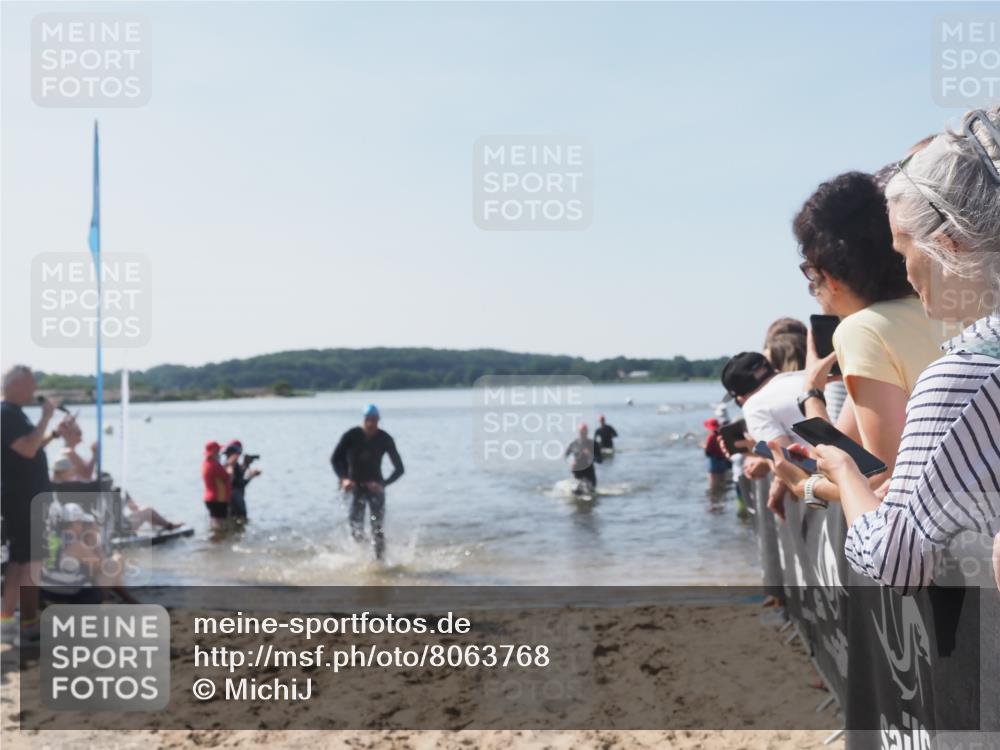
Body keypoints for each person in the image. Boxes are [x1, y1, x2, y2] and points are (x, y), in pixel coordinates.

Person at [781, 106, 1000, 591]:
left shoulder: (965, 372)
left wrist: (839, 469)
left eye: (906, 250)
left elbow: (897, 557)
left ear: (950, 244)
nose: (905, 272)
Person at [782, 170, 945, 505]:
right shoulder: (939, 310)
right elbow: (853, 451)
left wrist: (812, 393)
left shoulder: (861, 332)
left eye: (810, 274)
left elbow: (881, 478)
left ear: (829, 276)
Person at [1, 366, 65, 643]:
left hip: (25, 497)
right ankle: (28, 623)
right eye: (31, 385)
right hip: (22, 498)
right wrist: (46, 417)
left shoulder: (13, 414)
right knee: (30, 562)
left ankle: (7, 620)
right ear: (15, 385)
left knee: (20, 560)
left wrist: (54, 433)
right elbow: (27, 448)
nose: (35, 390)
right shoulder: (6, 414)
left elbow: (30, 447)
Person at [331, 404, 404, 560]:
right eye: (368, 420)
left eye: (375, 421)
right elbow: (335, 459)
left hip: (375, 488)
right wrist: (344, 479)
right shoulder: (351, 435)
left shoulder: (385, 438)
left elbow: (399, 469)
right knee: (355, 525)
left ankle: (380, 561)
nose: (371, 424)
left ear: (378, 421)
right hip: (354, 487)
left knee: (377, 527)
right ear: (364, 420)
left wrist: (382, 484)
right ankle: (362, 556)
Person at [223, 440, 261, 521]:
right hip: (235, 500)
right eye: (238, 453)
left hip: (230, 500)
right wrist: (251, 476)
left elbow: (238, 475)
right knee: (241, 520)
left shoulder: (226, 464)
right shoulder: (230, 466)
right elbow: (239, 483)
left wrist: (246, 464)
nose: (238, 456)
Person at [201, 441, 232, 528]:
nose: (220, 454)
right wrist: (230, 465)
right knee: (221, 524)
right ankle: (219, 540)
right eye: (218, 451)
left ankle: (215, 539)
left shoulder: (205, 464)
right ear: (215, 452)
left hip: (210, 498)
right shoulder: (215, 465)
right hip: (218, 499)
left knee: (214, 522)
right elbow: (228, 476)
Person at [564, 423, 601, 492]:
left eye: (584, 432)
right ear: (579, 432)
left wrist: (591, 455)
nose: (583, 434)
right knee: (577, 491)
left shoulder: (593, 444)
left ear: (587, 432)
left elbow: (600, 460)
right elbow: (566, 456)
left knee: (591, 490)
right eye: (581, 432)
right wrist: (571, 462)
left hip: (589, 472)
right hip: (577, 471)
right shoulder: (574, 443)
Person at [700, 417, 731, 493]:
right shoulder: (721, 434)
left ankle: (715, 501)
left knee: (713, 485)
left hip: (714, 462)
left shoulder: (711, 436)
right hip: (722, 461)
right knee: (722, 482)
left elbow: (708, 452)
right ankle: (722, 500)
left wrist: (704, 446)